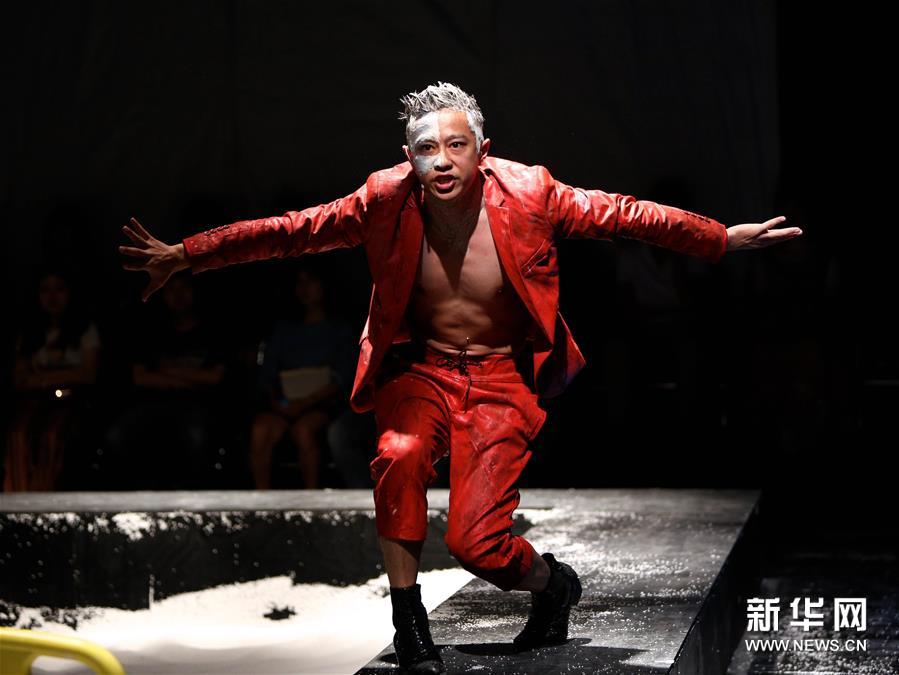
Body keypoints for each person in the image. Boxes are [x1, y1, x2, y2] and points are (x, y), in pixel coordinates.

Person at [119, 81, 802, 672]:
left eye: (455, 145)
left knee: (478, 544)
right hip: (421, 368)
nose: (441, 161)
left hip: (502, 376)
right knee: (397, 453)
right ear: (407, 156)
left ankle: (552, 586)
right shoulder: (382, 200)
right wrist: (189, 254)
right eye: (426, 149)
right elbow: (292, 230)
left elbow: (625, 214)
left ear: (482, 149)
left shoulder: (530, 192)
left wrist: (719, 238)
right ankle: (408, 620)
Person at [104, 272, 227, 490]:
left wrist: (168, 372)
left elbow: (215, 377)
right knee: (118, 434)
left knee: (195, 436)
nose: (178, 295)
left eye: (183, 288)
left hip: (197, 405)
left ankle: (190, 495)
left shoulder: (212, 331)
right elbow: (140, 377)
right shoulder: (153, 331)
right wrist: (190, 378)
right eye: (171, 290)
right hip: (154, 403)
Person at [250, 260, 357, 489]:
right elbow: (268, 374)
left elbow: (344, 376)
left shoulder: (340, 329)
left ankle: (311, 499)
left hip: (322, 405)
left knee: (304, 431)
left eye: (311, 281)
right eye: (299, 282)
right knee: (260, 430)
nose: (304, 288)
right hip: (285, 405)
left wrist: (307, 402)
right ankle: (261, 500)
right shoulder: (283, 329)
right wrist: (280, 404)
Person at [7, 269, 101, 492]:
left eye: (59, 289)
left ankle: (46, 498)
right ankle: (19, 496)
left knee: (53, 436)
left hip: (73, 402)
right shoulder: (30, 332)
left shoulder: (84, 329)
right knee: (18, 435)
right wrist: (54, 379)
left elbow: (88, 374)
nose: (52, 297)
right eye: (45, 290)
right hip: (35, 401)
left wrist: (45, 378)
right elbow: (20, 378)